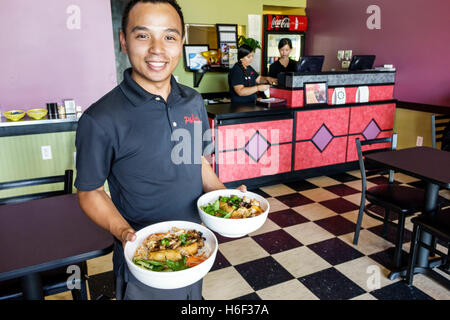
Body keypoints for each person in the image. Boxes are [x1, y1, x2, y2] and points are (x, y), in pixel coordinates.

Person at [75, 0, 245, 300]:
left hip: (195, 244)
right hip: (144, 257)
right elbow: (90, 191)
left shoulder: (192, 100)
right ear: (124, 41)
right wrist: (126, 233)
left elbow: (197, 161)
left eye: (169, 36)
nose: (157, 48)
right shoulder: (99, 118)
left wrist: (226, 202)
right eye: (143, 36)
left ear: (181, 42)